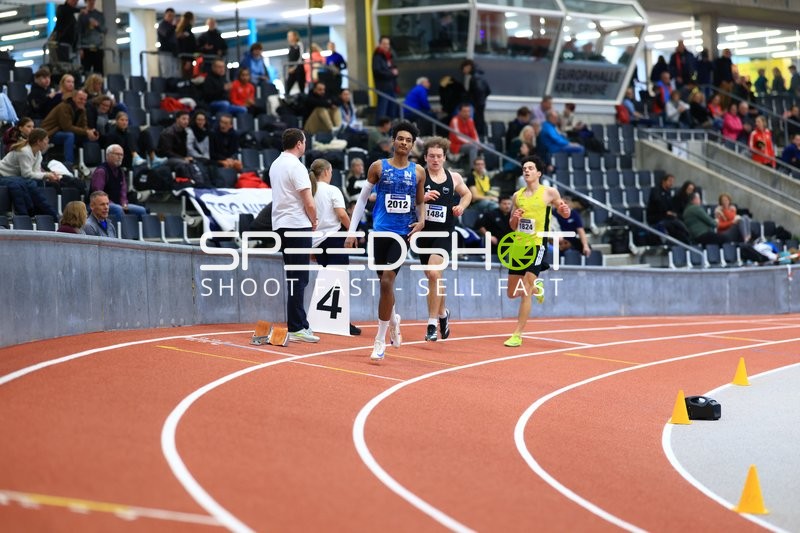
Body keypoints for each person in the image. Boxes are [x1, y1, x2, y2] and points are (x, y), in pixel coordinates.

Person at [344, 120, 426, 362]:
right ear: (393, 141)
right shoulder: (378, 167)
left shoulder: (418, 171)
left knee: (388, 280)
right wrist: (351, 230)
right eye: (400, 138)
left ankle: (379, 340)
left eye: (408, 140)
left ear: (412, 145)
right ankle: (393, 319)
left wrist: (421, 221)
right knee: (384, 284)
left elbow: (420, 202)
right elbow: (360, 201)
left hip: (402, 234)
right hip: (379, 232)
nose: (403, 143)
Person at [503, 155, 570, 348]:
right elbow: (512, 225)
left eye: (530, 168)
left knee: (524, 289)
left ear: (538, 173)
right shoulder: (517, 196)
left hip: (537, 244)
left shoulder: (549, 192)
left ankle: (517, 334)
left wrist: (565, 210)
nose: (526, 171)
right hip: (518, 245)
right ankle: (536, 287)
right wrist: (515, 217)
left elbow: (564, 212)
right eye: (524, 168)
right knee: (511, 292)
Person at [416, 136, 471, 342]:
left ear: (445, 158)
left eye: (439, 156)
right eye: (431, 156)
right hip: (423, 234)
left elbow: (467, 194)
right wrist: (421, 198)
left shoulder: (454, 177)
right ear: (425, 157)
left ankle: (431, 324)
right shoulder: (418, 176)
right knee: (433, 277)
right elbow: (410, 201)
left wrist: (461, 207)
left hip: (444, 234)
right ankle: (443, 313)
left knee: (432, 273)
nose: (435, 160)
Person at [270, 128, 319, 343]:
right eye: (305, 142)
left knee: (294, 278)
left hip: (280, 225)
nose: (305, 145)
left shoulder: (275, 164)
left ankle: (298, 323)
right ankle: (297, 327)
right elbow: (308, 201)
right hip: (297, 226)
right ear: (299, 144)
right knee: (299, 278)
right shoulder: (296, 167)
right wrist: (314, 220)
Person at [307, 158, 361, 336]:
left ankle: (325, 320)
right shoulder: (332, 190)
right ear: (327, 172)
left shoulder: (309, 192)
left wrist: (312, 247)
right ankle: (341, 321)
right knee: (340, 282)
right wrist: (352, 230)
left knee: (326, 281)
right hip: (335, 239)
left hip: (317, 242)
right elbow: (341, 214)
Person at [0, 128, 59, 218]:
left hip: (15, 177)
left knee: (36, 182)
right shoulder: (25, 152)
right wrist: (47, 175)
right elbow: (27, 174)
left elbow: (36, 173)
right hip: (2, 175)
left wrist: (49, 175)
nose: (48, 142)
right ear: (39, 141)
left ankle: (41, 213)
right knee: (29, 183)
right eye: (46, 139)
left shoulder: (38, 154)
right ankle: (43, 213)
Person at [40, 90, 100, 170]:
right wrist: (86, 131)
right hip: (49, 133)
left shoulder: (82, 109)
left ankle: (89, 165)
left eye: (85, 100)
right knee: (69, 135)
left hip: (63, 131)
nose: (83, 101)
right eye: (80, 99)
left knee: (88, 137)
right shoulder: (64, 106)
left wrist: (91, 132)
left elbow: (84, 126)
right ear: (74, 98)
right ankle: (69, 164)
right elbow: (67, 127)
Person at [90, 144, 147, 221]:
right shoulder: (101, 171)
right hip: (101, 204)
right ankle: (122, 232)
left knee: (141, 210)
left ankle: (140, 232)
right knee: (118, 209)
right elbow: (98, 193)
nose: (120, 157)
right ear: (108, 155)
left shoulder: (120, 171)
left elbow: (123, 192)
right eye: (117, 154)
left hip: (118, 204)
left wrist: (124, 203)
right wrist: (110, 204)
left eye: (122, 155)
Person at [646, 173, 691, 244]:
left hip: (666, 217)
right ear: (664, 181)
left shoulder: (668, 193)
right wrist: (666, 212)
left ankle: (686, 242)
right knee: (675, 224)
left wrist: (672, 212)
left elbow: (671, 206)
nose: (671, 183)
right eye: (670, 181)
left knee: (678, 223)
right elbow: (658, 203)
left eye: (672, 182)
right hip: (656, 217)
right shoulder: (656, 191)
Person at [461, 59, 491, 137]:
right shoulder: (480, 76)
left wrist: (475, 102)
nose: (463, 71)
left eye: (463, 69)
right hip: (480, 103)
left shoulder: (476, 78)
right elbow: (488, 91)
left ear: (468, 67)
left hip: (477, 104)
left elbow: (479, 91)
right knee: (480, 122)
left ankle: (479, 139)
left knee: (477, 124)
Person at [372, 36, 399, 119]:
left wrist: (395, 72)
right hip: (383, 88)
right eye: (384, 44)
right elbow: (377, 71)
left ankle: (391, 129)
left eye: (387, 44)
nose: (386, 46)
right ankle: (381, 129)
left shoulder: (389, 56)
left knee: (392, 111)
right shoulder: (377, 56)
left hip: (391, 87)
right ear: (380, 44)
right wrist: (391, 73)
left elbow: (393, 68)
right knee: (382, 111)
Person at [448, 102, 480, 168]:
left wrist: (478, 143)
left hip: (470, 143)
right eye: (465, 111)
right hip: (457, 146)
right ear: (459, 112)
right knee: (473, 147)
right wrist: (472, 143)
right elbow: (458, 137)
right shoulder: (455, 120)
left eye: (468, 111)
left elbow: (475, 134)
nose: (467, 113)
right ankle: (473, 170)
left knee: (490, 146)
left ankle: (485, 170)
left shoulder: (470, 120)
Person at [77, 0, 106, 74]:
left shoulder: (99, 15)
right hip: (86, 47)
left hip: (97, 47)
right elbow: (78, 32)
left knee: (99, 72)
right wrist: (79, 48)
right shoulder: (82, 15)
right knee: (85, 71)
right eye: (90, 0)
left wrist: (97, 25)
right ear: (86, 1)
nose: (92, 2)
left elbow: (104, 30)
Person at [157, 8, 179, 78]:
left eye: (173, 16)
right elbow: (166, 34)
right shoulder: (162, 25)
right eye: (169, 15)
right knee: (167, 73)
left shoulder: (171, 27)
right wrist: (174, 26)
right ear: (165, 15)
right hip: (165, 52)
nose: (171, 18)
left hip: (173, 52)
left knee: (174, 73)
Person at [175, 11, 197, 79]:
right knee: (186, 77)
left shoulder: (180, 30)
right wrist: (188, 60)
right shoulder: (187, 31)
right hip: (186, 58)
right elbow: (187, 46)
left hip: (183, 58)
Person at [285, 30, 305, 95]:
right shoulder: (290, 47)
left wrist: (294, 68)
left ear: (295, 36)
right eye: (288, 36)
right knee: (287, 87)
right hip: (291, 71)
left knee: (301, 87)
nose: (289, 37)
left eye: (290, 36)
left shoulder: (299, 44)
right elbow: (290, 59)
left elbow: (300, 58)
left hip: (299, 69)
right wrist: (289, 68)